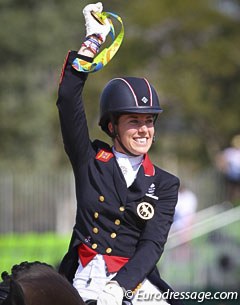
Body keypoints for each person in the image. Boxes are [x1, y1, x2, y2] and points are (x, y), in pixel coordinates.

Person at [57, 3, 183, 305]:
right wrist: (93, 42)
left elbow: (152, 245)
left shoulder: (165, 184)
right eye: (134, 121)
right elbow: (66, 99)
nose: (144, 130)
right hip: (82, 277)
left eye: (149, 121)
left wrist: (119, 288)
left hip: (134, 285)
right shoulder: (89, 162)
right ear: (112, 126)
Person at [216, 134, 240, 203]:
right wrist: (224, 169)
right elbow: (220, 159)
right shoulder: (229, 152)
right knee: (232, 192)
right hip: (232, 175)